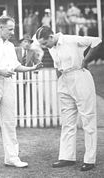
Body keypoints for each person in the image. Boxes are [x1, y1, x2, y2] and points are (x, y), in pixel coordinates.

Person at [0, 15, 43, 174]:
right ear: (0, 28)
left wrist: (32, 69)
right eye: (10, 29)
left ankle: (12, 158)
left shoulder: (10, 46)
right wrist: (0, 72)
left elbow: (16, 66)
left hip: (8, 84)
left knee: (9, 121)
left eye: (13, 28)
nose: (13, 32)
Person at [35, 26, 102, 171]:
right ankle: (66, 157)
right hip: (64, 80)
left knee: (88, 119)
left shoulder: (71, 39)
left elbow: (97, 41)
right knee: (67, 121)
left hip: (80, 76)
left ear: (51, 37)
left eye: (45, 43)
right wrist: (60, 81)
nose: (44, 47)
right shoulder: (52, 48)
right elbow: (57, 65)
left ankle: (90, 160)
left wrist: (86, 60)